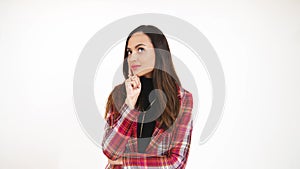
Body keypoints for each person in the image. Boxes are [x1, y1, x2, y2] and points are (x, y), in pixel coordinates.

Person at [101, 25, 193, 169]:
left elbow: (177, 162)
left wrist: (126, 161)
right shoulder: (120, 93)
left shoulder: (182, 98)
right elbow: (110, 152)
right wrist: (129, 105)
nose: (132, 57)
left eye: (141, 49)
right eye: (129, 51)